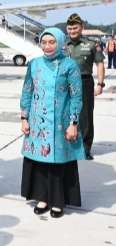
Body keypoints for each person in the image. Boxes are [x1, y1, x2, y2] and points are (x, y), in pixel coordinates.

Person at [20, 27, 84, 218]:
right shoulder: (34, 64)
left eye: (52, 42)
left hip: (60, 122)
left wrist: (73, 122)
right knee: (40, 161)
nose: (47, 46)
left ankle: (58, 201)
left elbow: (76, 96)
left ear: (60, 43)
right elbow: (27, 91)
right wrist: (24, 117)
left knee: (58, 162)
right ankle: (42, 197)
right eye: (44, 42)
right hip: (37, 122)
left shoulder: (69, 65)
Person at [65, 13, 105, 160]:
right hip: (66, 83)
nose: (72, 31)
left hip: (85, 82)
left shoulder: (92, 44)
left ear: (82, 28)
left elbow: (100, 63)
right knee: (66, 113)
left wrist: (100, 84)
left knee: (86, 116)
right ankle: (69, 144)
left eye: (75, 28)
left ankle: (85, 148)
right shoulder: (64, 45)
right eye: (69, 28)